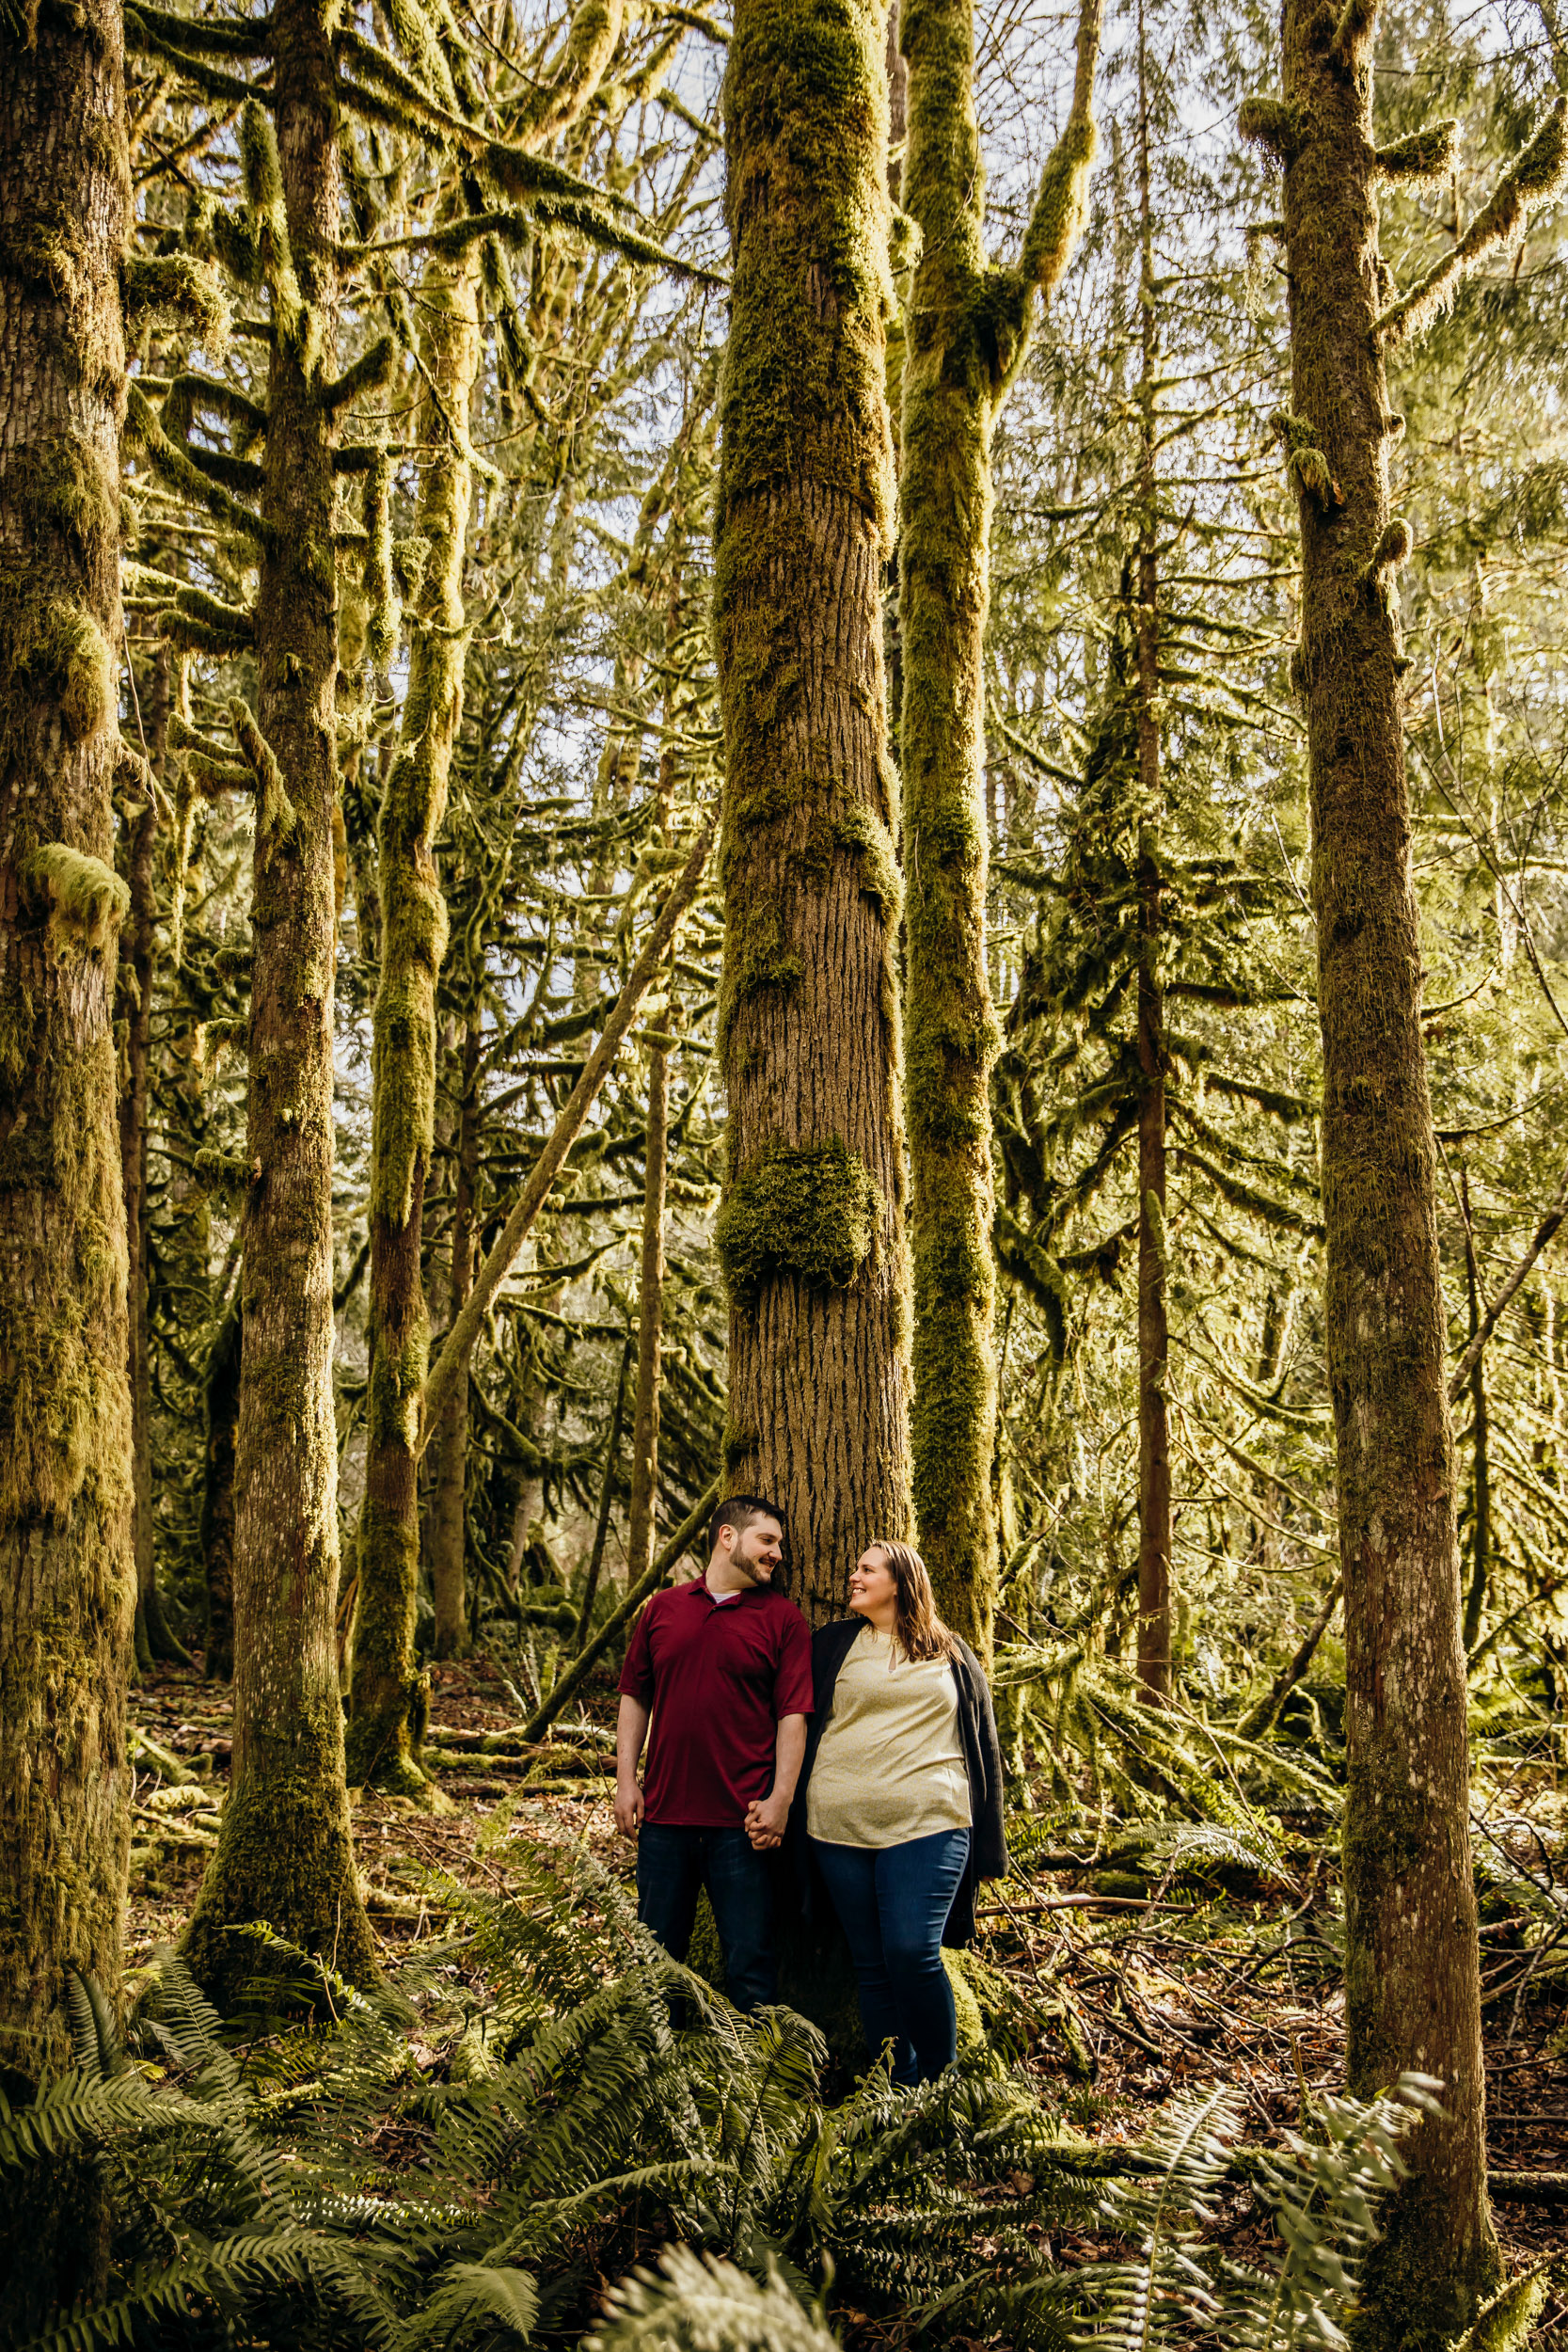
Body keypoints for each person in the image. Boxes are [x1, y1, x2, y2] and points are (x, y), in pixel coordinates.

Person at [796, 1540, 1006, 2086]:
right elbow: (796, 1721)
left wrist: (990, 1846)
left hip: (930, 1822)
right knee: (871, 1967)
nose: (853, 1576)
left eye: (867, 1569)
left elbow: (984, 1747)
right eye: (856, 1568)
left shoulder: (953, 1653)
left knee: (912, 1951)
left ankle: (943, 2085)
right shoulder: (833, 1645)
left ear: (901, 1582)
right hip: (836, 1827)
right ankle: (900, 2089)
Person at [615, 1494, 813, 2010]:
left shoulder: (784, 1620)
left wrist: (781, 1801)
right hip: (663, 1821)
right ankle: (654, 2074)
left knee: (750, 1966)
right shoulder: (663, 1608)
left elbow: (793, 1716)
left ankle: (756, 2083)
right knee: (656, 1962)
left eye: (779, 1545)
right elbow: (635, 1696)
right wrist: (625, 1781)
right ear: (728, 1537)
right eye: (766, 1541)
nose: (777, 1555)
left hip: (742, 1824)